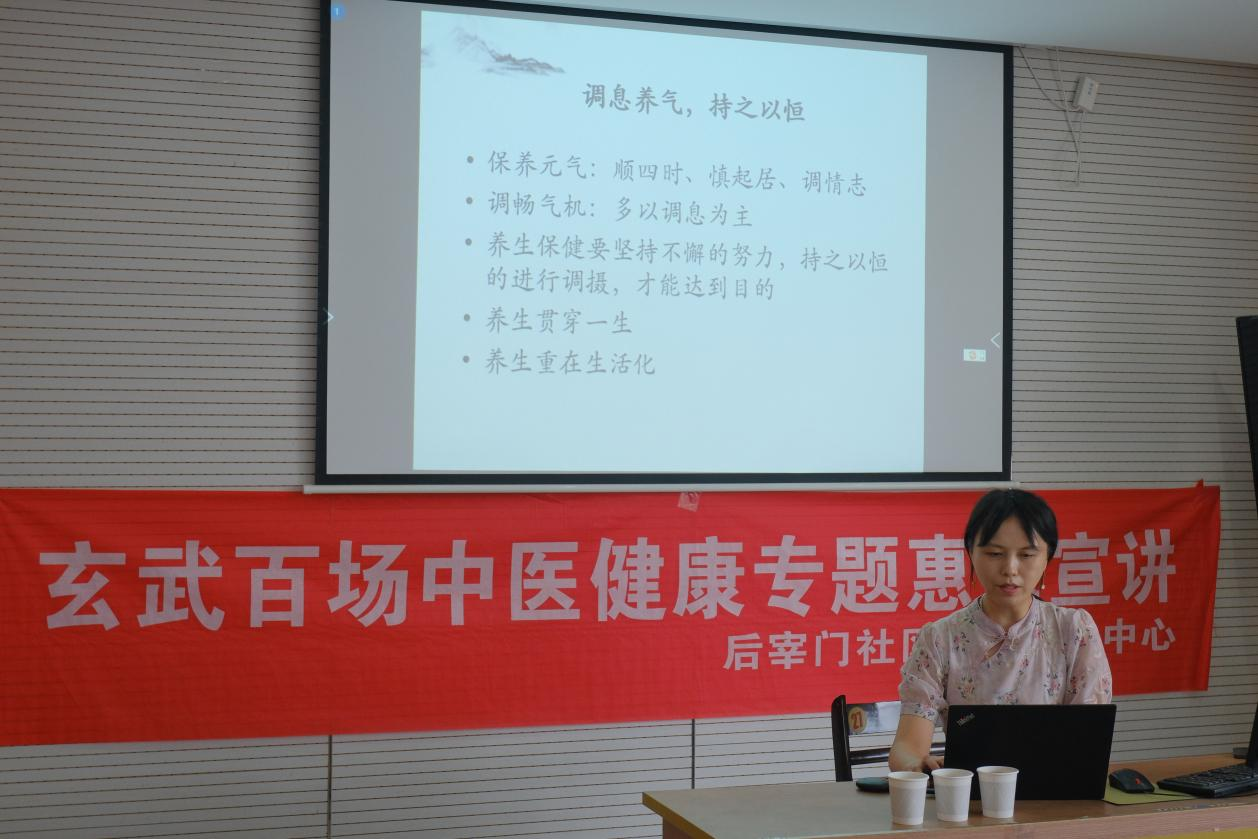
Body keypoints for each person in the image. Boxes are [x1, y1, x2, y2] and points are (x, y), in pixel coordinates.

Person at [887, 489, 1113, 772]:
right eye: (994, 553)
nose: (1010, 569)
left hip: (1057, 790)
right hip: (970, 793)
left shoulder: (1075, 631)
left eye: (1027, 554)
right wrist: (917, 765)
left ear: (1048, 557)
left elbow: (1088, 742)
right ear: (971, 552)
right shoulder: (940, 639)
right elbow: (908, 746)